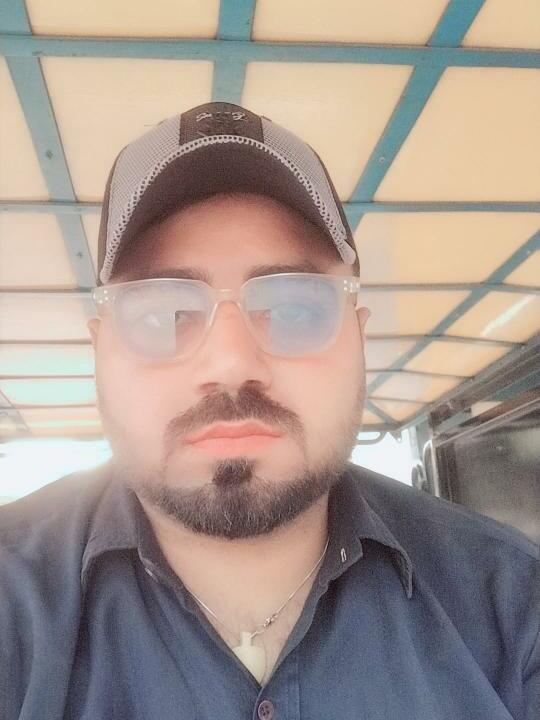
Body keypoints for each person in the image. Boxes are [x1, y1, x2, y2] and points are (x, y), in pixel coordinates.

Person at [0, 102, 538, 720]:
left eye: (294, 308)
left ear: (358, 338)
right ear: (100, 351)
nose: (231, 363)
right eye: (164, 314)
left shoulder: (512, 601)